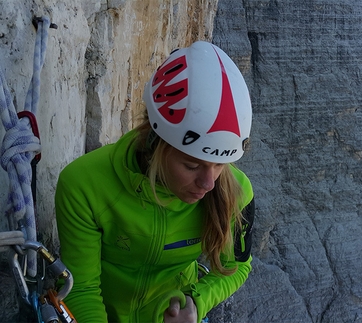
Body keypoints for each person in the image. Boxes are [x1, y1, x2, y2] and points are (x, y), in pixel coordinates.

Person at [55, 40, 254, 323]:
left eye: (220, 164)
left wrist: (196, 303)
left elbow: (238, 267)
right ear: (154, 143)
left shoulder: (238, 192)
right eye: (192, 165)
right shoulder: (84, 185)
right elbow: (82, 288)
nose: (208, 182)